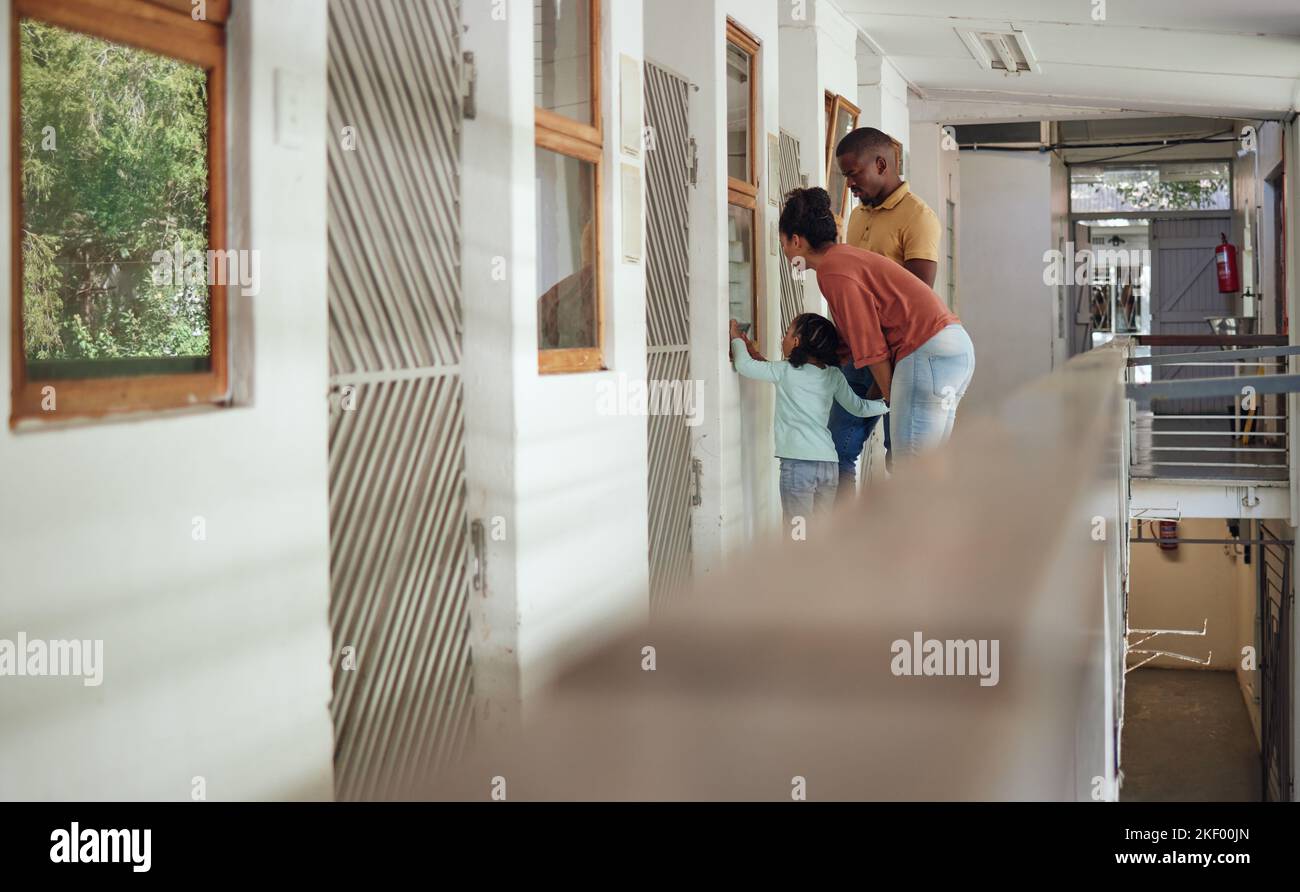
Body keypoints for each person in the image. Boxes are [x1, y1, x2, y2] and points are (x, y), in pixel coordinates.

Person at [778, 188, 974, 459]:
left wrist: (891, 399)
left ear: (796, 241)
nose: (785, 252)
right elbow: (855, 343)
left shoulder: (833, 272)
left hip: (925, 350)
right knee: (928, 471)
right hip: (952, 348)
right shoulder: (845, 258)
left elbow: (870, 346)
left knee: (911, 472)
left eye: (783, 243)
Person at [826, 128, 943, 497]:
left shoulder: (918, 217)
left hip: (903, 356)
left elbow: (917, 299)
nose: (850, 185)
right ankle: (842, 539)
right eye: (845, 177)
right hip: (859, 352)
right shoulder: (858, 217)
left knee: (903, 459)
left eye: (853, 174)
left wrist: (887, 373)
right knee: (837, 449)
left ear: (880, 164)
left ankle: (905, 545)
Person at [729, 314, 888, 532]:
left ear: (796, 341)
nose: (783, 338)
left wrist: (736, 338)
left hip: (798, 467)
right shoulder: (833, 375)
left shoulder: (784, 371)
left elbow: (744, 365)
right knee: (819, 533)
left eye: (787, 333)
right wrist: (888, 403)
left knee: (798, 534)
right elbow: (859, 407)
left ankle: (798, 566)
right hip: (829, 465)